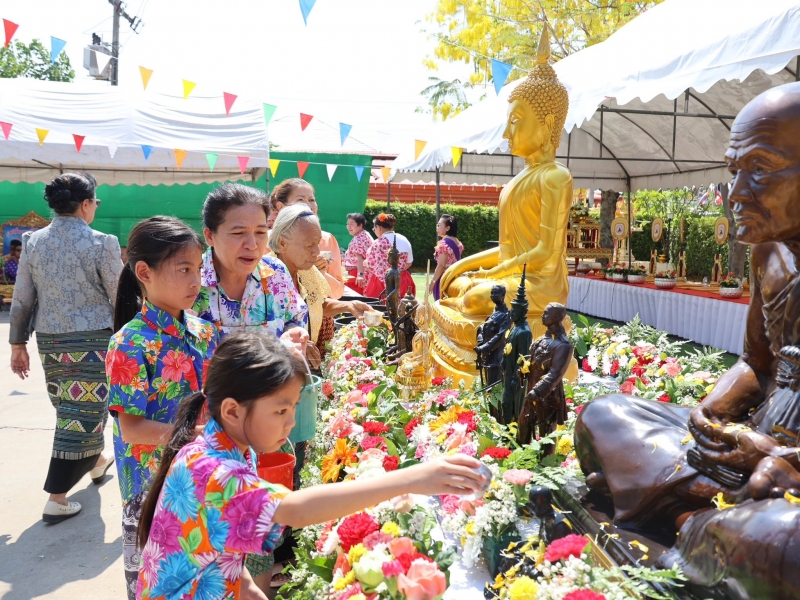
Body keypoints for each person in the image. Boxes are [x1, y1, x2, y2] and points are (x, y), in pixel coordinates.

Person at [576, 81, 800, 600]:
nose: (736, 193)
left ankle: (686, 519)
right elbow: (756, 362)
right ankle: (710, 521)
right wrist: (711, 414)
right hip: (750, 446)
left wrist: (783, 456)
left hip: (782, 469)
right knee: (605, 415)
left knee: (789, 542)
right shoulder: (769, 254)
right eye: (733, 171)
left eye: (760, 168)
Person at [135, 330, 486, 600]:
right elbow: (295, 510)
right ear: (232, 410)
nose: (290, 422)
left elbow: (220, 552)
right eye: (280, 410)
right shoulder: (214, 471)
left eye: (293, 408)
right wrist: (412, 478)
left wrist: (250, 590)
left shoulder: (228, 450)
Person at [108, 216, 219, 600]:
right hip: (152, 489)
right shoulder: (130, 343)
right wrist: (196, 436)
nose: (196, 280)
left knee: (204, 581)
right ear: (144, 272)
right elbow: (132, 429)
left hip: (203, 476)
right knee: (156, 586)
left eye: (199, 269)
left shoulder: (204, 331)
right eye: (184, 269)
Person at [9, 172, 120, 524]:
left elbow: (23, 297)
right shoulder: (102, 242)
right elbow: (120, 295)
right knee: (82, 412)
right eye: (95, 202)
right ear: (85, 204)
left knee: (72, 408)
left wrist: (17, 343)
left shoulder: (33, 242)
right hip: (93, 340)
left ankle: (97, 462)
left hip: (51, 341)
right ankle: (56, 498)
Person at [192, 183, 308, 352]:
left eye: (260, 232)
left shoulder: (276, 273)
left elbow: (295, 318)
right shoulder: (190, 279)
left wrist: (292, 333)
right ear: (209, 236)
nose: (252, 245)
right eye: (238, 233)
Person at [269, 204, 369, 351]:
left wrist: (348, 306)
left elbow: (316, 303)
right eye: (309, 245)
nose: (316, 252)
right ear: (282, 243)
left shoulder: (307, 270)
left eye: (317, 243)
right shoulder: (265, 276)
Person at [269, 178, 344, 299]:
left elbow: (337, 293)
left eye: (312, 200)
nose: (308, 205)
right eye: (300, 200)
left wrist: (319, 273)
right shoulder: (264, 241)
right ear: (281, 206)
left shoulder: (327, 240)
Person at [364, 213, 416, 299]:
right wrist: (399, 268)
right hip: (402, 280)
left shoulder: (378, 243)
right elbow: (409, 263)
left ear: (378, 227)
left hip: (381, 283)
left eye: (374, 229)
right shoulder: (404, 239)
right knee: (404, 305)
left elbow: (371, 265)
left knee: (380, 306)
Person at [429, 214, 463, 300]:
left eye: (439, 225)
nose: (437, 227)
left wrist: (433, 282)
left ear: (447, 228)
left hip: (444, 280)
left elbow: (441, 265)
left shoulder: (444, 244)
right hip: (455, 278)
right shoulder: (457, 242)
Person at [344, 212, 373, 294]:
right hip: (362, 272)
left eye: (351, 224)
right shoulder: (365, 234)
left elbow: (360, 258)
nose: (349, 226)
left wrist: (360, 275)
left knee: (353, 298)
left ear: (360, 225)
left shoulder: (358, 239)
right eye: (348, 224)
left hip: (356, 273)